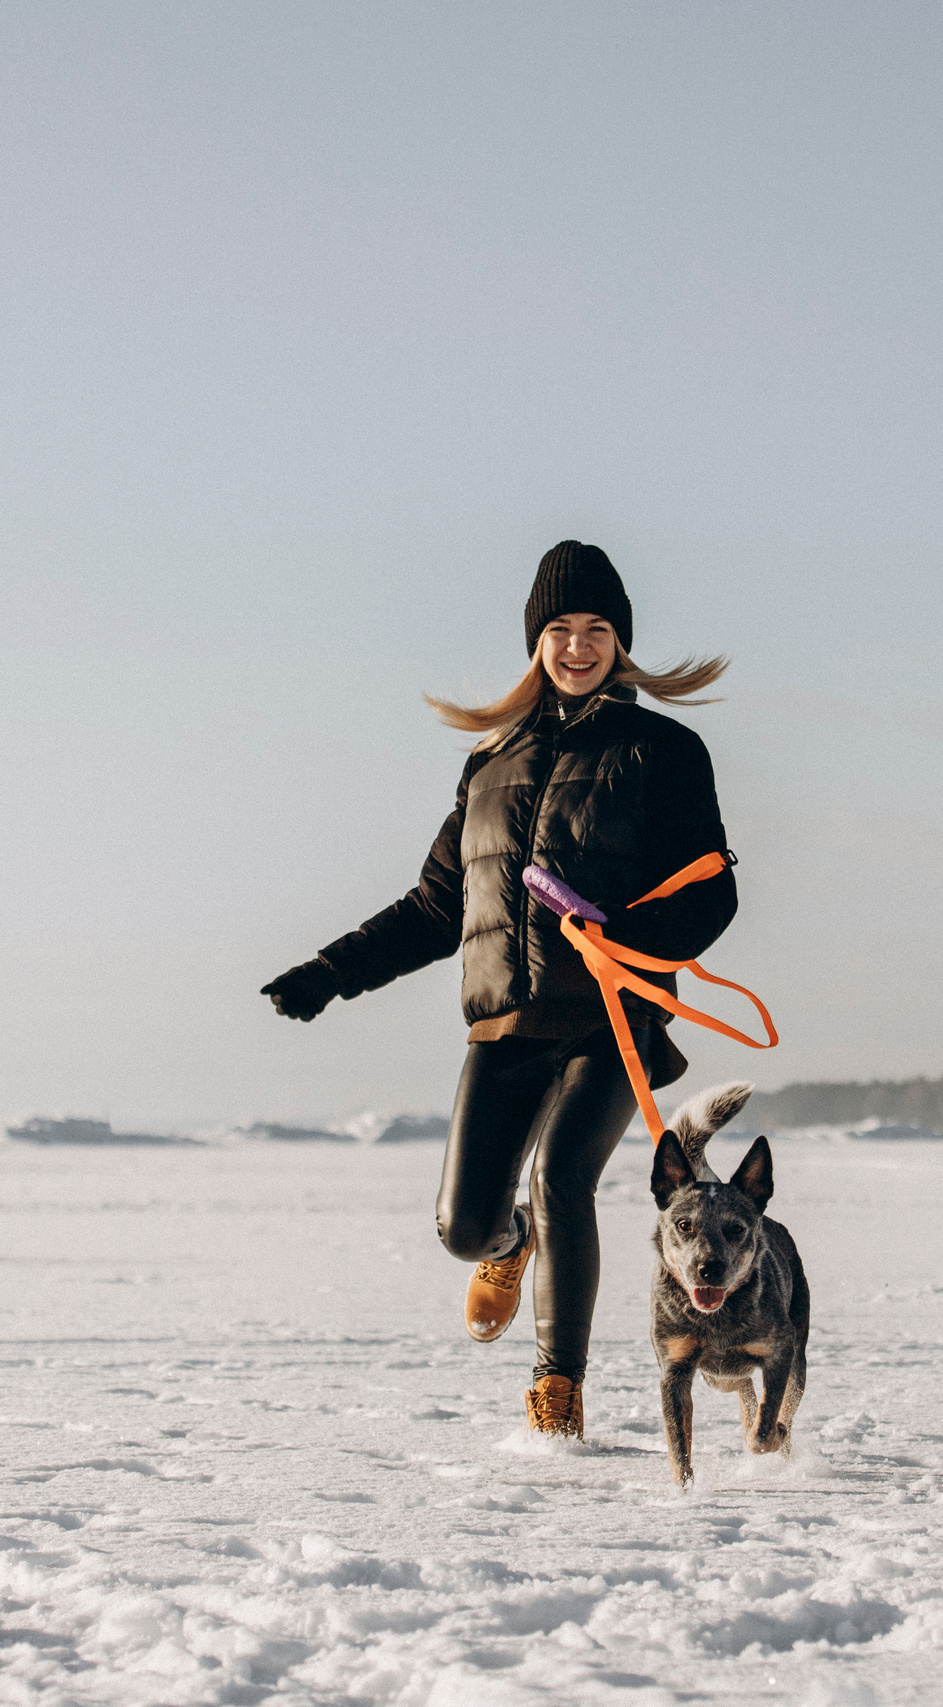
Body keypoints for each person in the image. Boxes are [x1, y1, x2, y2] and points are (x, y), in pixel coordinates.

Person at [261, 541, 738, 1439]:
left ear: (621, 642)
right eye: (560, 629)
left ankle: (558, 1391)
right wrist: (330, 971)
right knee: (462, 1227)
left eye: (598, 629)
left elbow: (715, 886)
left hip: (613, 1017)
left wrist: (626, 937)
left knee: (566, 1177)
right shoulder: (490, 763)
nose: (578, 646)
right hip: (506, 1027)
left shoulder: (664, 750)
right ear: (535, 643)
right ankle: (509, 1244)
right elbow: (438, 906)